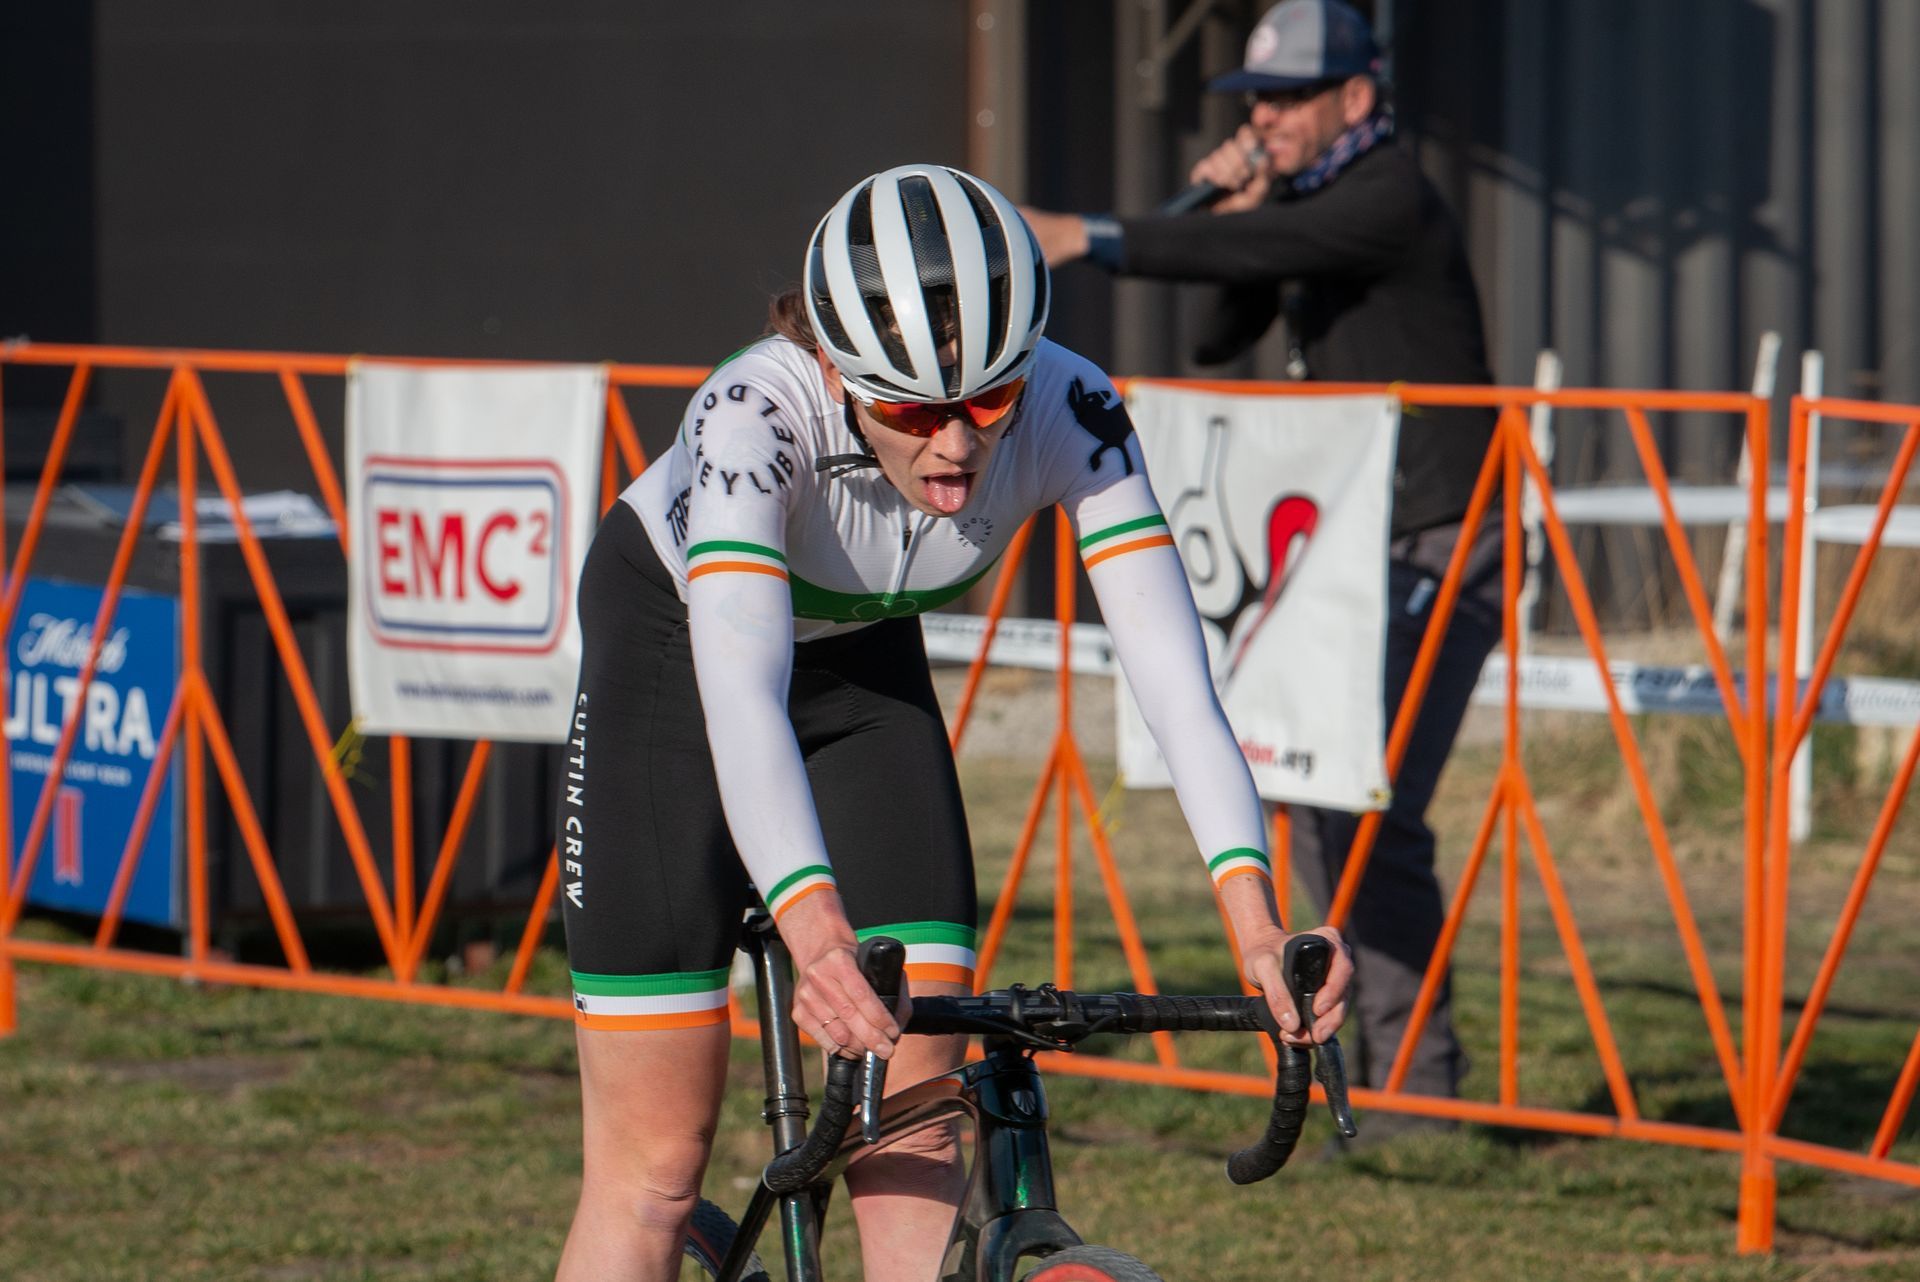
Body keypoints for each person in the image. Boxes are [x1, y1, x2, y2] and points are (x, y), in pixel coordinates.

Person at [553, 163, 1352, 1282]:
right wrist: (817, 929)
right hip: (677, 672)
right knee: (654, 1174)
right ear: (835, 368)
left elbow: (1175, 681)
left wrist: (1258, 925)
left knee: (916, 1119)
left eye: (987, 400)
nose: (956, 447)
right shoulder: (751, 412)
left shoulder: (1072, 406)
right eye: (914, 409)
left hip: (863, 670)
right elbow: (738, 690)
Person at [1023, 0, 1501, 1120]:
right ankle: (1374, 1081)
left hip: (1440, 532)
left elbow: (1269, 251)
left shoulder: (1385, 196)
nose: (1268, 120)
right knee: (1334, 807)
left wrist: (1092, 233)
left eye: (1288, 100)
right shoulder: (1306, 198)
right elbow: (1215, 328)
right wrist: (1230, 197)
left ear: (1355, 98)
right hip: (1355, 540)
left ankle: (1418, 1086)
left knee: (1373, 809)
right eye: (1256, 103)